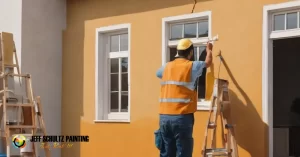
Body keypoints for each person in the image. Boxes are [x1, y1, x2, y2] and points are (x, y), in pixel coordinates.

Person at [156, 39, 213, 157]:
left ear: (177, 52)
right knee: (183, 152)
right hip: (181, 117)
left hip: (164, 117)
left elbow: (158, 73)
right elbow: (207, 63)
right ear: (191, 52)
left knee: (166, 153)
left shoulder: (166, 66)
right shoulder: (192, 66)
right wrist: (209, 51)